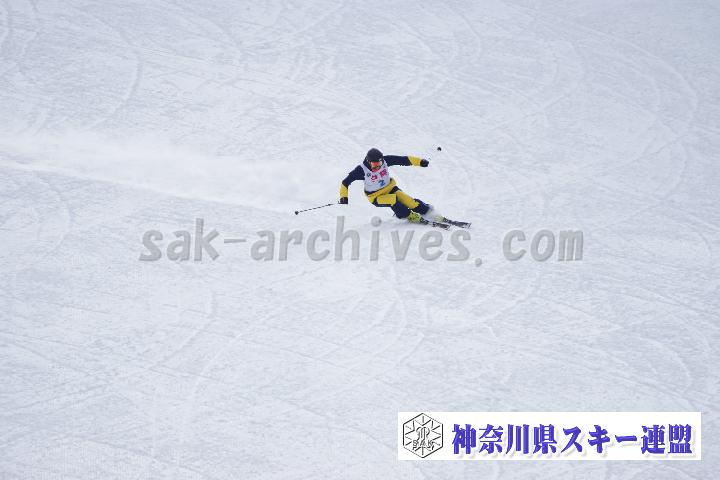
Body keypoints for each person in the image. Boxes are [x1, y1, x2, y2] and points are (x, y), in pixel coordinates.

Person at [339, 148, 435, 223]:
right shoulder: (361, 170)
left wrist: (420, 162)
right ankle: (407, 215)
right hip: (376, 197)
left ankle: (427, 210)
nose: (377, 167)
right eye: (374, 165)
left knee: (409, 201)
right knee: (392, 200)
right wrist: (344, 198)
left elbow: (403, 160)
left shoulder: (385, 161)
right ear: (368, 162)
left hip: (390, 188)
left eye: (379, 163)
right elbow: (345, 183)